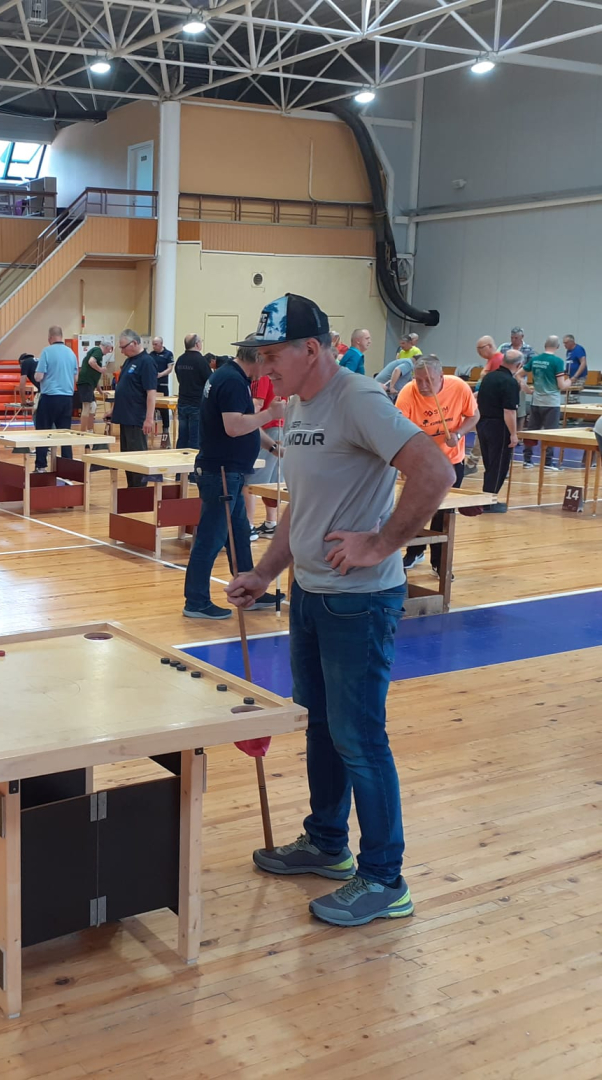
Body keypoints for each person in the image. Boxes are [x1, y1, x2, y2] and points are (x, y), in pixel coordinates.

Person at [226, 292, 454, 927]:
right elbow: (301, 508)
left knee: (360, 737)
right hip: (310, 594)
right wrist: (265, 573)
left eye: (273, 354)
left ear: (312, 349)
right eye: (260, 356)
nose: (264, 367)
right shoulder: (300, 405)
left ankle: (384, 879)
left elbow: (435, 472)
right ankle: (327, 842)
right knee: (321, 726)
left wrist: (380, 543)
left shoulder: (358, 399)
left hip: (359, 602)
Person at [182, 342, 284, 619]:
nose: (268, 370)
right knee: (210, 538)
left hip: (229, 473)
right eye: (268, 362)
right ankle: (196, 601)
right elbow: (235, 427)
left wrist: (273, 447)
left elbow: (247, 423)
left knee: (239, 537)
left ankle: (249, 592)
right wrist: (271, 414)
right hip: (222, 473)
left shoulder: (233, 377)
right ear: (257, 358)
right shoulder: (231, 381)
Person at [395, 357, 478, 572]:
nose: (423, 386)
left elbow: (473, 415)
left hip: (451, 461)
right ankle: (415, 551)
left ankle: (440, 564)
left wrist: (458, 434)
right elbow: (398, 428)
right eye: (419, 380)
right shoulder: (408, 393)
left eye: (429, 380)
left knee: (443, 514)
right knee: (418, 511)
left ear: (441, 377)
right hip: (421, 463)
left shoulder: (458, 387)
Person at [237, 347, 285, 540]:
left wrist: (242, 420)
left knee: (250, 480)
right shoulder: (278, 372)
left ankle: (248, 525)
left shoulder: (262, 376)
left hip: (267, 429)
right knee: (270, 482)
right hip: (280, 427)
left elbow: (257, 404)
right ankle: (271, 523)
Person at [475, 349, 524, 511]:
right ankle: (489, 501)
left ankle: (487, 497)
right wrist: (513, 434)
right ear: (519, 365)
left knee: (489, 463)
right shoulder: (510, 382)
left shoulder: (488, 377)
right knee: (499, 465)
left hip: (482, 423)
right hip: (499, 426)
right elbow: (509, 411)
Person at [110, 329, 159, 487]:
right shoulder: (129, 361)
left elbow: (151, 392)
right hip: (125, 417)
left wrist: (149, 419)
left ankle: (139, 491)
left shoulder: (146, 362)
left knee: (137, 459)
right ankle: (131, 489)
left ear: (135, 343)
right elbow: (124, 388)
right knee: (127, 459)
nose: (122, 351)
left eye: (123, 347)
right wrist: (114, 410)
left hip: (136, 418)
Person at [522, 336, 572, 470]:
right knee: (551, 433)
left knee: (532, 431)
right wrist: (570, 381)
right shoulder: (557, 362)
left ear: (545, 345)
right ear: (558, 347)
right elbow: (561, 385)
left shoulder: (535, 359)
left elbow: (518, 375)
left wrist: (526, 389)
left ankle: (527, 460)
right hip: (551, 403)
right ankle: (547, 462)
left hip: (536, 401)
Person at [33, 326, 78, 472]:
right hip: (67, 398)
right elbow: (76, 378)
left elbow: (39, 376)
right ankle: (67, 467)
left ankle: (41, 466)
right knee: (65, 433)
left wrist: (37, 376)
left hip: (50, 397)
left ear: (50, 338)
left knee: (43, 432)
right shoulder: (71, 353)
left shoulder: (47, 351)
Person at [174, 333, 212, 450]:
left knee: (182, 437)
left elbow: (179, 378)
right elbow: (210, 380)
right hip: (196, 404)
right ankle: (193, 462)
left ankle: (179, 460)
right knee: (195, 438)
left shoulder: (180, 360)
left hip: (182, 402)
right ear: (197, 344)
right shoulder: (201, 361)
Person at [498, 328, 533, 433]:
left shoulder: (528, 349)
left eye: (516, 338)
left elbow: (531, 365)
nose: (513, 340)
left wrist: (520, 372)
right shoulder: (504, 347)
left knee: (520, 410)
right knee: (506, 407)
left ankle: (519, 432)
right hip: (505, 381)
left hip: (520, 382)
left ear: (522, 337)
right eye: (512, 338)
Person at [76, 342, 111, 433]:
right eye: (109, 350)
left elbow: (94, 378)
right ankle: (83, 432)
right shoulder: (98, 351)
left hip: (89, 383)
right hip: (85, 383)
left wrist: (101, 391)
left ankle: (90, 430)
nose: (108, 352)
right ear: (106, 347)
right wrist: (101, 369)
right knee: (86, 407)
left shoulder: (98, 354)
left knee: (93, 406)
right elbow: (91, 361)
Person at [150, 336, 175, 447]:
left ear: (161, 344)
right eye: (153, 344)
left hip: (163, 384)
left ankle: (165, 432)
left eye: (156, 344)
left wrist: (160, 374)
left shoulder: (168, 354)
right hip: (152, 385)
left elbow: (170, 368)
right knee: (151, 406)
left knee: (164, 409)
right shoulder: (151, 355)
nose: (154, 346)